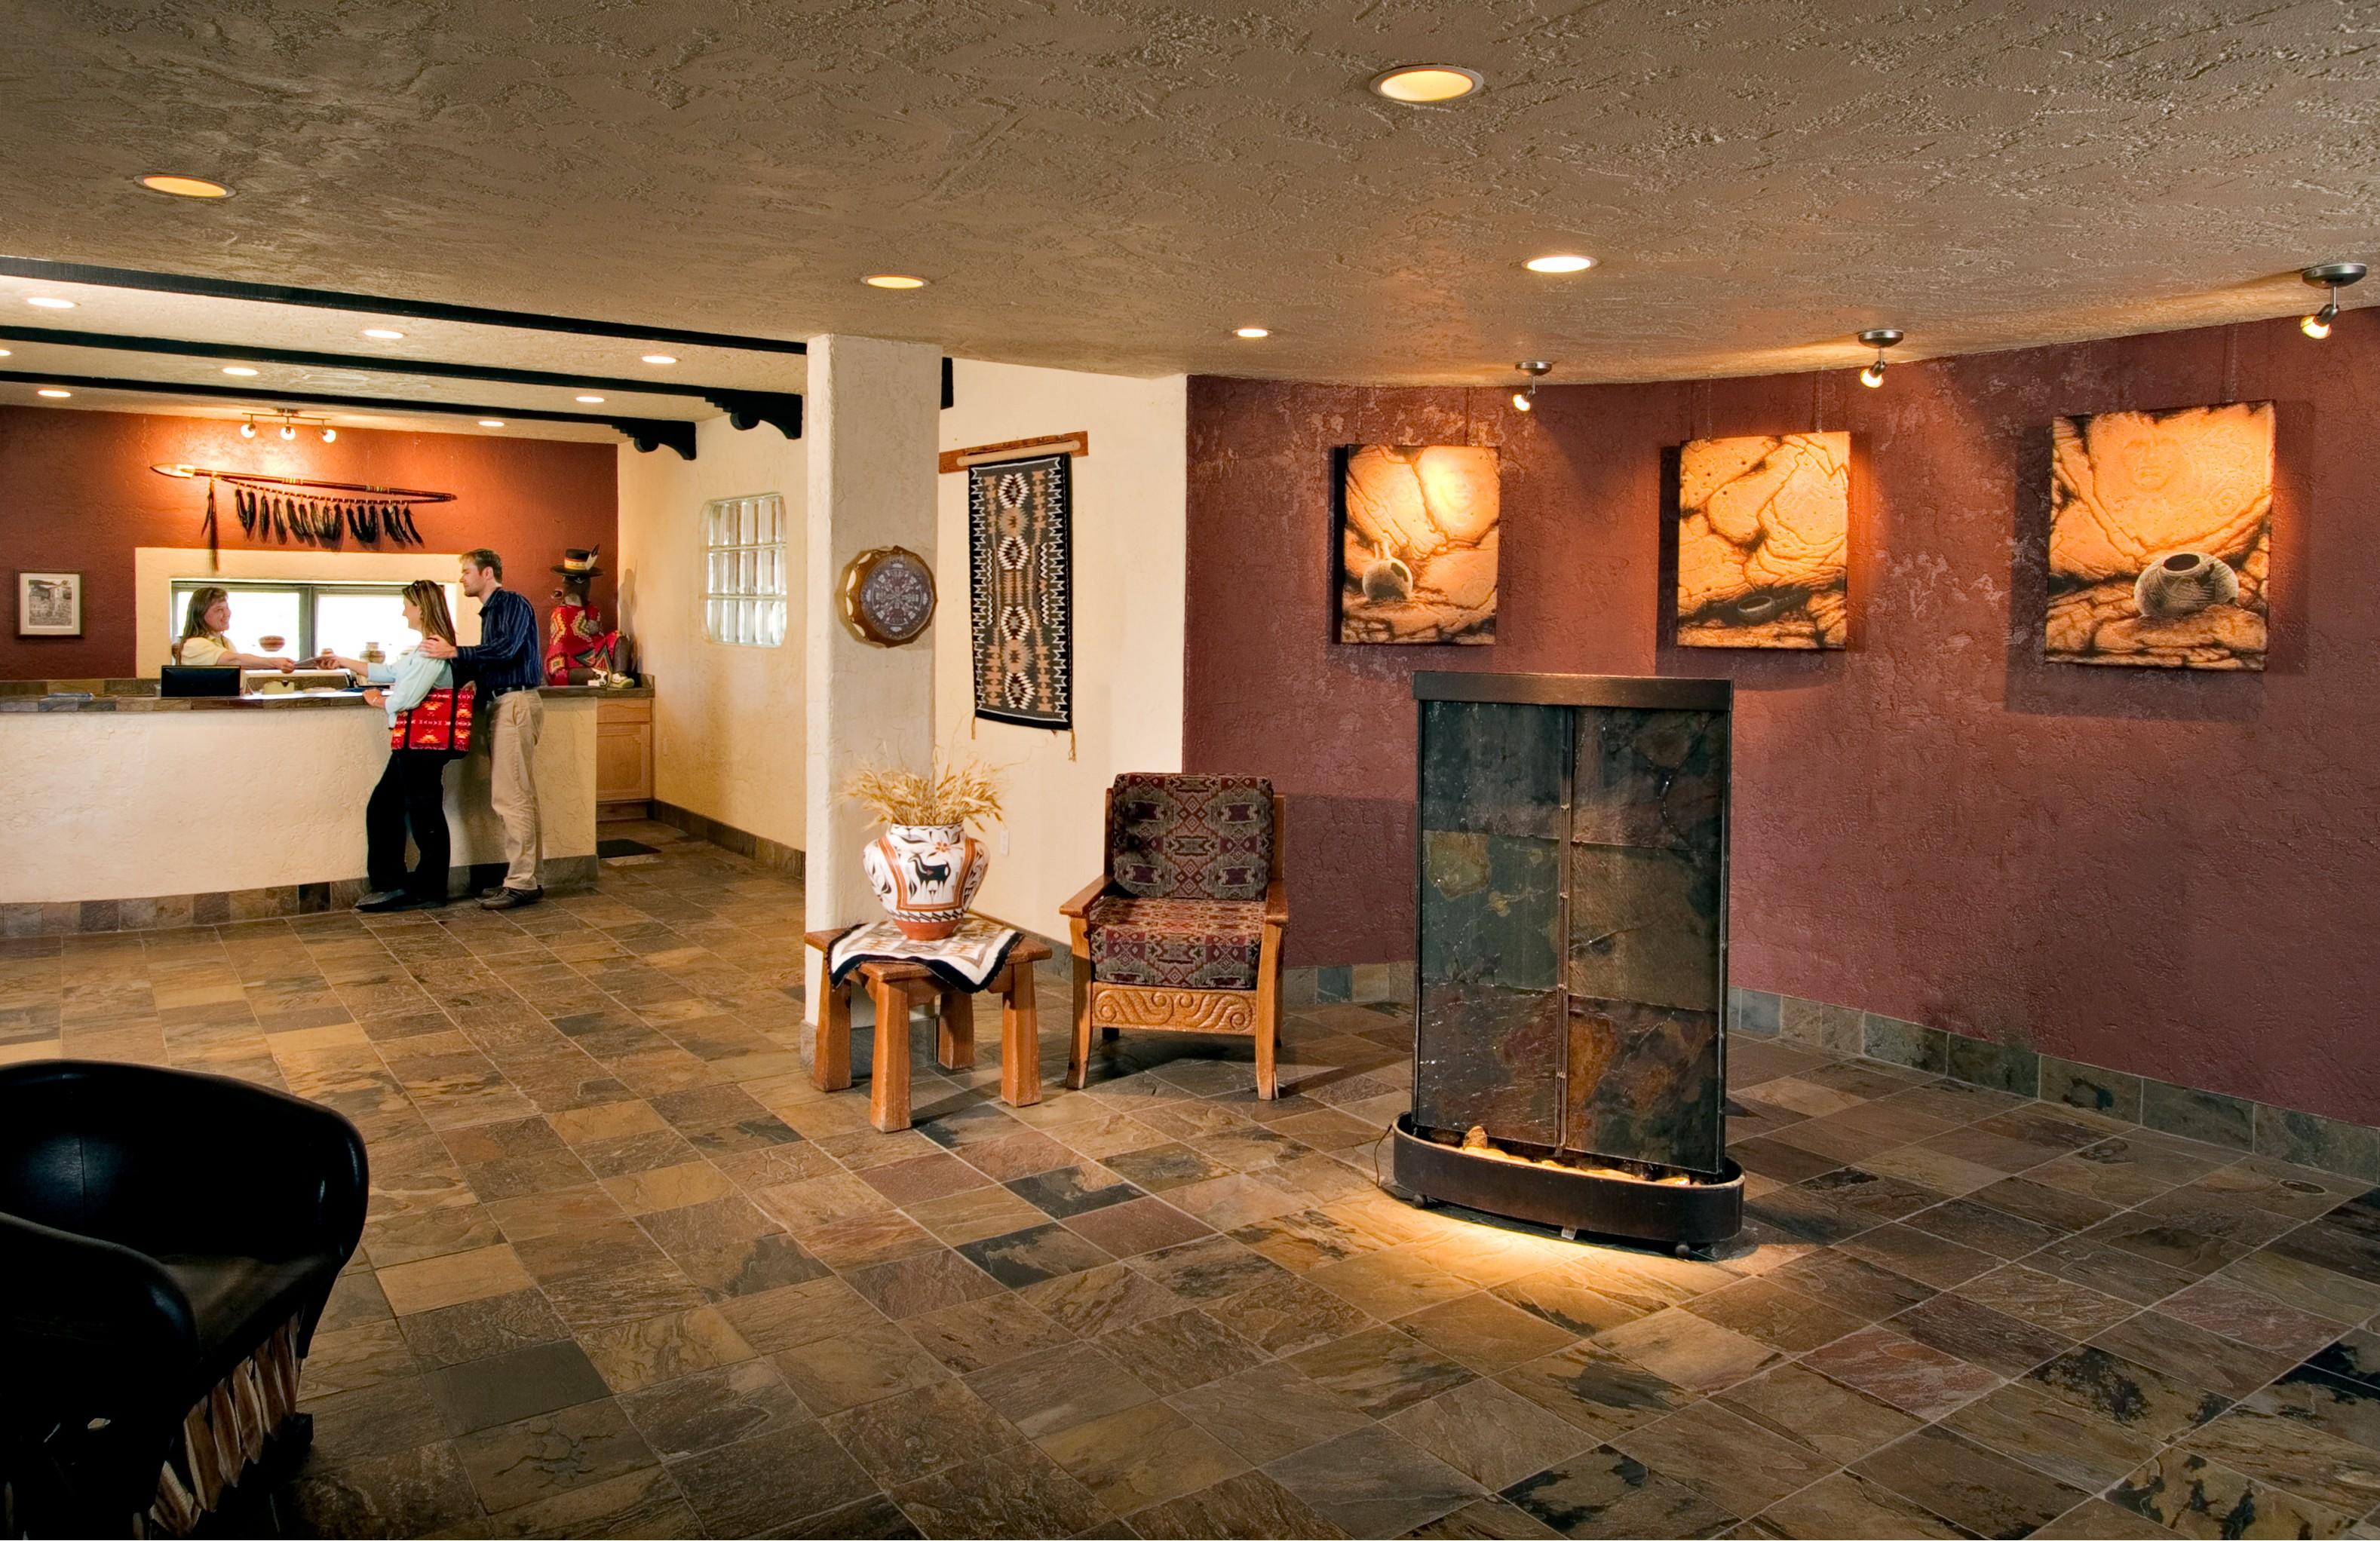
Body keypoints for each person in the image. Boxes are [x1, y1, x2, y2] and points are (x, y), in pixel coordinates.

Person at [319, 581, 468, 912]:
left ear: (422, 607)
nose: (404, 612)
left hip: (421, 747)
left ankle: (409, 887)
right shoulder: (423, 648)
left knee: (412, 812)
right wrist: (343, 660)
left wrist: (377, 700)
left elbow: (407, 697)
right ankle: (406, 886)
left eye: (407, 605)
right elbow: (388, 671)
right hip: (415, 746)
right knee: (404, 810)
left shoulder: (432, 649)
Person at [419, 548, 544, 908]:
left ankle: (521, 882)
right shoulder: (491, 612)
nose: (462, 578)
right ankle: (523, 878)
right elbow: (497, 658)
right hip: (504, 702)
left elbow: (505, 650)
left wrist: (454, 653)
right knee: (516, 794)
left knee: (511, 796)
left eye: (466, 571)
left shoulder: (511, 603)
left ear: (487, 573)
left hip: (515, 704)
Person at [173, 587, 296, 671]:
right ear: (200, 614)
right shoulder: (194, 645)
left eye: (227, 608)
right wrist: (274, 662)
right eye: (219, 610)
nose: (227, 614)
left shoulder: (226, 642)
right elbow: (235, 661)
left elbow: (239, 673)